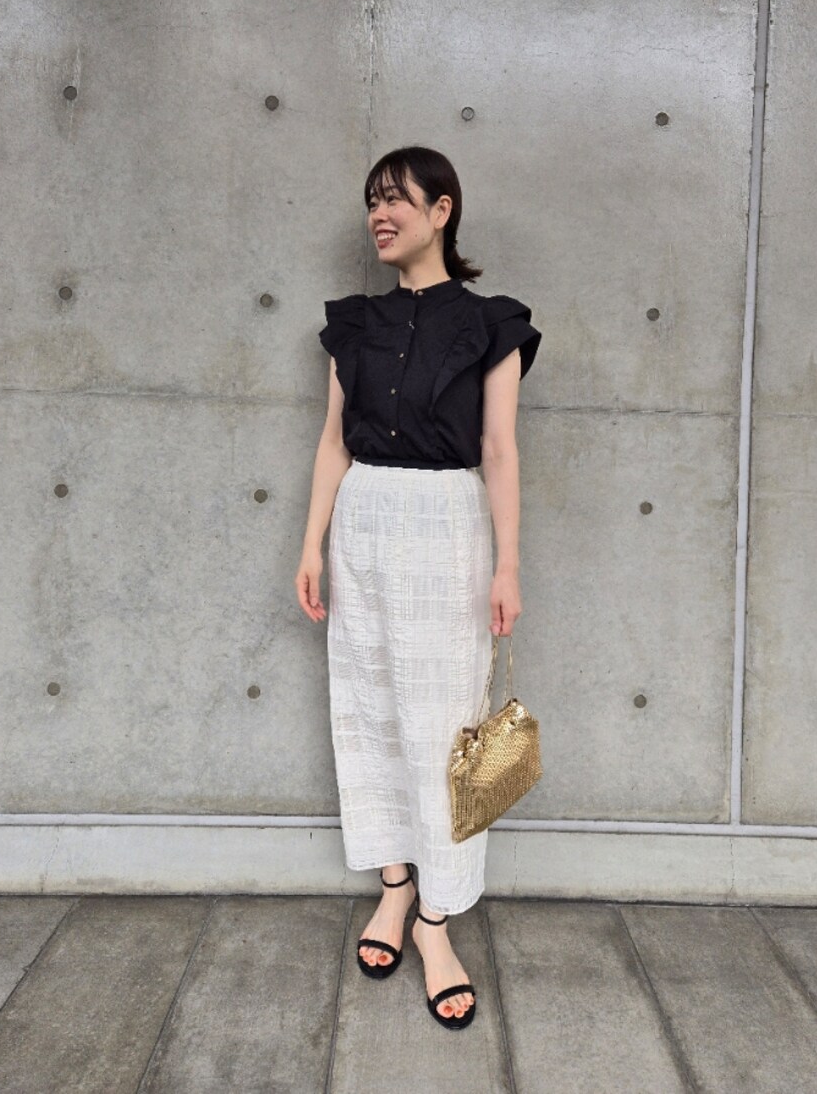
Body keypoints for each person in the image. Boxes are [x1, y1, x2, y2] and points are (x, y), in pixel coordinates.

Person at [295, 145, 541, 1030]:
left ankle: (436, 920)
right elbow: (334, 441)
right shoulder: (354, 324)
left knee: (445, 724)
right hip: (363, 520)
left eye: (396, 198)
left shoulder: (491, 324)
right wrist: (312, 544)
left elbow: (500, 450)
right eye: (372, 200)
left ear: (442, 210)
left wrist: (507, 562)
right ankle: (395, 886)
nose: (380, 214)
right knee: (367, 704)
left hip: (448, 525)